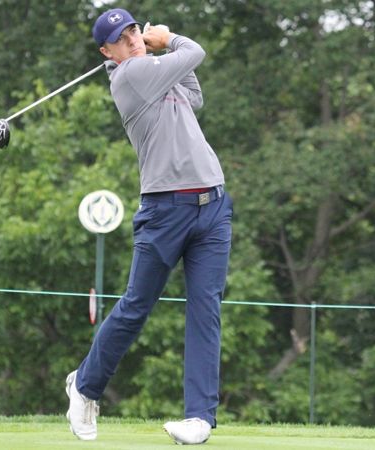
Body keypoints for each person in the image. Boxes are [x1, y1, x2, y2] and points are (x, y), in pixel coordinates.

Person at [65, 8, 232, 446]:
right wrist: (169, 38)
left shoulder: (155, 72)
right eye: (121, 38)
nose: (133, 39)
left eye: (134, 30)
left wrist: (163, 50)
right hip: (165, 210)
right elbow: (194, 51)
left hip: (212, 203)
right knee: (137, 305)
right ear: (107, 53)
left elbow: (194, 97)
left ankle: (199, 418)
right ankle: (84, 385)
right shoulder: (130, 77)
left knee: (206, 308)